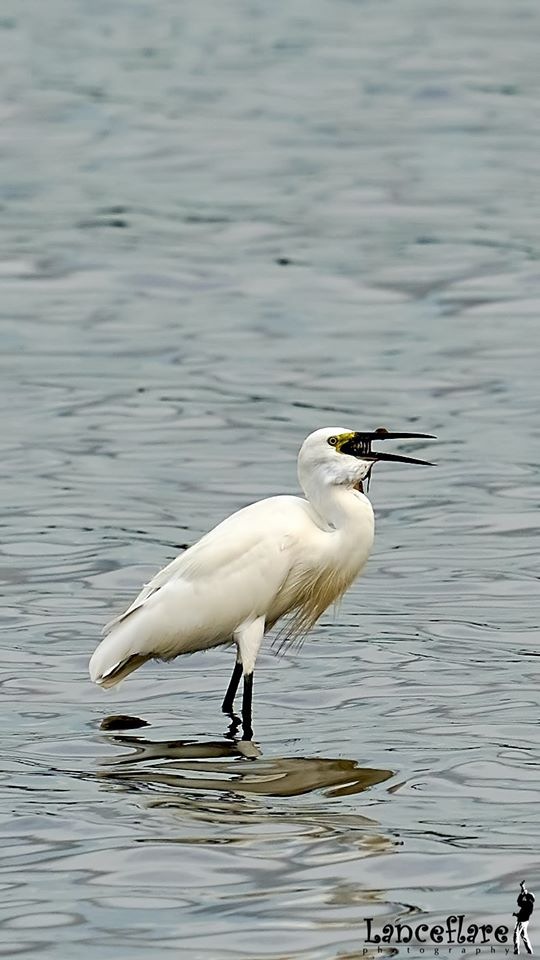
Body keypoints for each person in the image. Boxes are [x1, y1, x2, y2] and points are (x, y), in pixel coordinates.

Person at [513, 880, 535, 954]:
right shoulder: (530, 904)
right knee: (524, 937)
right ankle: (530, 951)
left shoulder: (527, 904)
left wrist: (523, 891)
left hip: (521, 922)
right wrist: (523, 889)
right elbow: (523, 912)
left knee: (516, 935)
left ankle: (516, 951)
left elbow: (519, 901)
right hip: (524, 922)